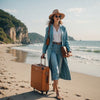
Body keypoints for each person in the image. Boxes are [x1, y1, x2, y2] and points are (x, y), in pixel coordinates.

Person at [41, 9, 72, 100]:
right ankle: (57, 92)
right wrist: (43, 52)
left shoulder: (63, 28)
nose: (57, 17)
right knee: (55, 68)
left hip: (61, 50)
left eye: (59, 16)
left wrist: (69, 50)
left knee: (57, 70)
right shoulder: (49, 28)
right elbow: (46, 41)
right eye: (56, 16)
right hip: (52, 49)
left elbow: (66, 40)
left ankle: (54, 85)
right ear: (52, 17)